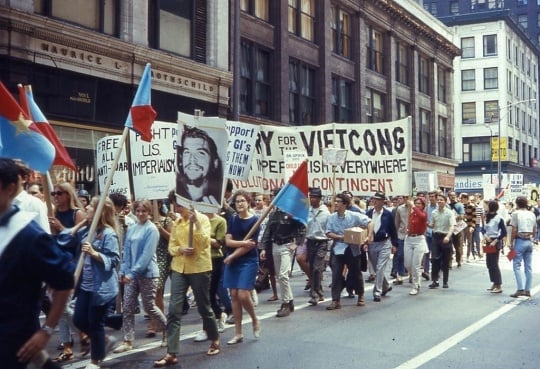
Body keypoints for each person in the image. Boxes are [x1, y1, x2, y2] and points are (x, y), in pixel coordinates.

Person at [0, 157, 73, 369]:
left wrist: (47, 330)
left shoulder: (29, 235)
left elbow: (64, 281)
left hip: (13, 339)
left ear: (11, 188)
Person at [154, 202, 220, 368]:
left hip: (199, 268)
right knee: (174, 310)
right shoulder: (176, 222)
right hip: (179, 268)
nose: (177, 210)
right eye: (175, 206)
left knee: (204, 307)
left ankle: (214, 339)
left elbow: (205, 243)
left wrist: (196, 222)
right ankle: (172, 352)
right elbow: (172, 247)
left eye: (179, 206)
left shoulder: (203, 219)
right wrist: (181, 249)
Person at [71, 196, 121, 369]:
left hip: (101, 288)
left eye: (90, 207)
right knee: (78, 319)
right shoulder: (88, 231)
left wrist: (94, 253)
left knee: (95, 323)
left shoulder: (109, 233)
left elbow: (114, 260)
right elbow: (70, 236)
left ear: (100, 211)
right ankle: (105, 339)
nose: (86, 209)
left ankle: (95, 361)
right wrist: (83, 222)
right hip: (85, 286)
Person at [113, 200, 167, 353]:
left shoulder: (152, 230)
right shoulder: (132, 228)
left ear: (149, 212)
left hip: (148, 274)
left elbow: (146, 256)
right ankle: (127, 340)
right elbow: (127, 251)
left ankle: (167, 330)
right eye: (138, 211)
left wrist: (132, 273)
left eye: (144, 211)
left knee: (149, 306)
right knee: (128, 307)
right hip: (132, 274)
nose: (141, 214)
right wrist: (123, 271)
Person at [48, 182, 86, 362]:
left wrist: (61, 229)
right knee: (59, 306)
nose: (56, 197)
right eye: (53, 193)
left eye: (59, 193)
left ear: (68, 195)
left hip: (73, 264)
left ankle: (84, 330)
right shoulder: (52, 214)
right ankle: (67, 346)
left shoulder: (77, 214)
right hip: (56, 264)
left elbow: (81, 239)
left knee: (65, 306)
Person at [260, 189, 306, 317]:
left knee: (283, 275)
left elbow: (302, 228)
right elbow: (268, 232)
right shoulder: (273, 215)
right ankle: (289, 300)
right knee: (279, 277)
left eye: (276, 196)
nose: (274, 199)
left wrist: (296, 244)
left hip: (287, 246)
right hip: (275, 246)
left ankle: (285, 303)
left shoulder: (292, 212)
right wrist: (264, 247)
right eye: (273, 196)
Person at [223, 190, 261, 344]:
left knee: (243, 295)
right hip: (233, 261)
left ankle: (254, 319)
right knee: (233, 295)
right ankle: (238, 333)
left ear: (248, 202)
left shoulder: (255, 221)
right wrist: (242, 243)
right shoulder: (232, 219)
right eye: (237, 201)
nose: (239, 204)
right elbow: (228, 242)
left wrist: (232, 255)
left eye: (242, 201)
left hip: (248, 260)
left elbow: (250, 247)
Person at [325, 193, 373, 309]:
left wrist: (368, 236)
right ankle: (335, 300)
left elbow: (370, 222)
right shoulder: (331, 217)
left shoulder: (354, 215)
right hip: (338, 249)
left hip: (352, 249)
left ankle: (360, 294)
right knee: (336, 274)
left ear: (345, 204)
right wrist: (339, 237)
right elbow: (328, 232)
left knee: (355, 273)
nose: (336, 203)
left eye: (338, 202)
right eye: (335, 201)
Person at [176, 126, 223, 205]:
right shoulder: (175, 199)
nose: (192, 160)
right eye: (187, 152)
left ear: (215, 163)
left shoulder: (216, 202)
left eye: (200, 153)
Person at [365, 191, 397, 302]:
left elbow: (393, 230)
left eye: (378, 199)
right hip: (372, 243)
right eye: (374, 199)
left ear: (383, 201)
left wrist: (394, 244)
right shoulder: (368, 213)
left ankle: (377, 292)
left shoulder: (388, 214)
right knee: (375, 267)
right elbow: (365, 229)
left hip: (385, 243)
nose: (375, 201)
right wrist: (364, 243)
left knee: (380, 267)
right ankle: (386, 285)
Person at [305, 187, 330, 306]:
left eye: (315, 197)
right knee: (312, 268)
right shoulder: (307, 211)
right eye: (311, 197)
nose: (312, 199)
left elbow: (329, 228)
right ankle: (319, 291)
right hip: (310, 242)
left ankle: (314, 293)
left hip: (321, 242)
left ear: (320, 199)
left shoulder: (325, 212)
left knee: (316, 268)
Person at [508, 196, 536, 298]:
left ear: (517, 204)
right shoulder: (531, 214)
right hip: (529, 241)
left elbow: (514, 229)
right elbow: (534, 230)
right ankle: (528, 290)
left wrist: (511, 243)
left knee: (516, 265)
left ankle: (520, 289)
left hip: (520, 241)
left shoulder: (516, 213)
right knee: (528, 267)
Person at [428, 193, 456, 289]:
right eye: (438, 200)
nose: (439, 201)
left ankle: (445, 281)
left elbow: (452, 226)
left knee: (446, 260)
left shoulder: (449, 213)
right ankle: (434, 280)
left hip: (446, 237)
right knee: (434, 259)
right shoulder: (434, 212)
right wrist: (426, 224)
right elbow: (432, 225)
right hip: (436, 236)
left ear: (445, 201)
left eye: (441, 200)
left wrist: (448, 236)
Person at [403, 197, 428, 295]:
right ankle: (417, 277)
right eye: (416, 203)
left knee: (415, 265)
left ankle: (415, 286)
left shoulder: (423, 214)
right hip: (409, 239)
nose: (417, 205)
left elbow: (422, 217)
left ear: (423, 205)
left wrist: (413, 206)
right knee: (408, 264)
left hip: (419, 239)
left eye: (419, 204)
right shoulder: (412, 213)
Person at [482, 201, 507, 294]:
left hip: (495, 242)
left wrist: (495, 241)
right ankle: (494, 283)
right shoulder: (486, 216)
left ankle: (499, 285)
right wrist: (485, 235)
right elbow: (483, 228)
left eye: (487, 206)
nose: (486, 207)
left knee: (494, 264)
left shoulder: (499, 218)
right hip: (488, 241)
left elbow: (504, 232)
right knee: (489, 263)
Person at [393, 195, 409, 284]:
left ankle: (411, 273)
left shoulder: (415, 208)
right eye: (404, 197)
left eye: (407, 197)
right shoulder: (400, 209)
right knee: (400, 255)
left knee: (410, 257)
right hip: (401, 235)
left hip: (412, 236)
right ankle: (400, 274)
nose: (406, 199)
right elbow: (397, 223)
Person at [448, 191, 465, 267]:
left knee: (458, 246)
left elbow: (462, 216)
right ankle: (450, 261)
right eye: (451, 195)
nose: (452, 197)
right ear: (448, 196)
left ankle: (458, 260)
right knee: (449, 246)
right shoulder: (447, 206)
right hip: (449, 228)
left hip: (458, 228)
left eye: (454, 195)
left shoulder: (459, 205)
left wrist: (454, 218)